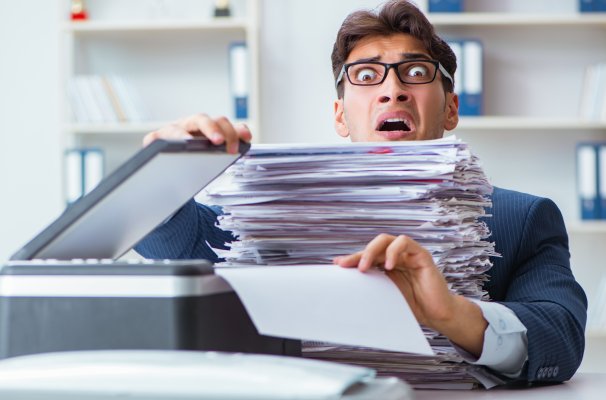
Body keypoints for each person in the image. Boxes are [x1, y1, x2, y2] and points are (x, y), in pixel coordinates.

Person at [136, 0, 587, 384]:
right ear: (340, 115)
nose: (393, 91)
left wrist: (451, 313)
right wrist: (160, 170)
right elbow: (161, 239)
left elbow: (560, 339)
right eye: (367, 76)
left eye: (414, 72)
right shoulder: (257, 213)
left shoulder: (523, 218)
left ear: (451, 108)